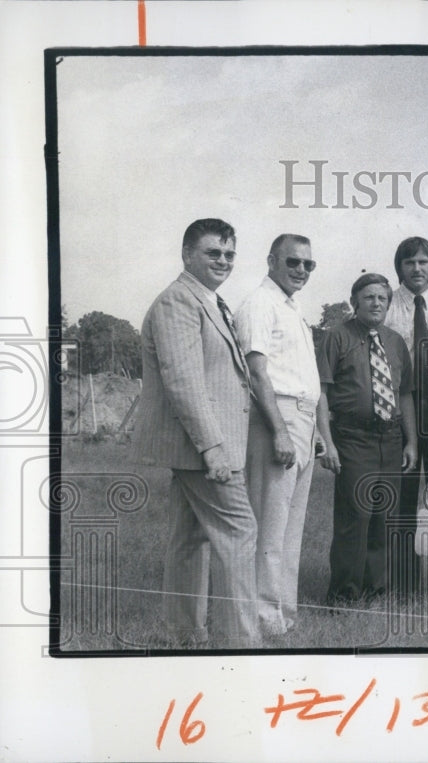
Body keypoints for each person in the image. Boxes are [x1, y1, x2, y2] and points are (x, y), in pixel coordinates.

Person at [132, 218, 258, 648]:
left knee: (189, 538)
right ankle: (240, 641)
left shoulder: (208, 300)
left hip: (200, 447)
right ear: (187, 255)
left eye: (228, 254)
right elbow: (184, 382)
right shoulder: (178, 302)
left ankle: (185, 634)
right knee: (240, 531)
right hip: (203, 447)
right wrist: (214, 447)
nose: (223, 261)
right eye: (212, 253)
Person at [234, 234, 335, 638]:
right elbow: (257, 373)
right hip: (276, 415)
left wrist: (314, 430)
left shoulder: (291, 308)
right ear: (272, 260)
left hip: (303, 418)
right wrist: (279, 431)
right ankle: (261, 615)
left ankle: (282, 615)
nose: (301, 271)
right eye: (293, 262)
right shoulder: (260, 302)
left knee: (291, 528)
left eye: (309, 265)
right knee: (271, 525)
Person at [316, 273, 418, 604]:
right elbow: (321, 391)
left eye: (383, 298)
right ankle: (345, 593)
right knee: (355, 515)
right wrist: (327, 441)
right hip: (353, 436)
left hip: (389, 437)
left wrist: (411, 441)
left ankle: (377, 589)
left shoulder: (395, 341)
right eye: (369, 297)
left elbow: (405, 395)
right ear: (355, 301)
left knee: (384, 515)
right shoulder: (337, 337)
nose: (377, 303)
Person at [383, 236, 428, 596]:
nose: (417, 269)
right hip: (402, 409)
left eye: (424, 262)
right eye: (409, 263)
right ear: (400, 269)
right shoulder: (388, 307)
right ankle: (403, 581)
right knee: (404, 495)